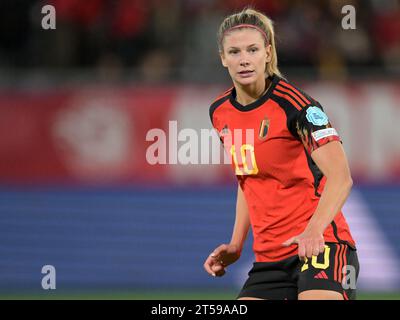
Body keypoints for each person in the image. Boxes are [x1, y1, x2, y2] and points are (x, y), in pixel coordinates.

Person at [203, 8, 359, 300]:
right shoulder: (220, 112)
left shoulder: (297, 106)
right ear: (223, 58)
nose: (244, 59)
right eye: (234, 52)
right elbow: (247, 178)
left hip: (320, 246)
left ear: (268, 53)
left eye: (252, 49)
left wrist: (314, 231)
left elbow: (341, 178)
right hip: (269, 259)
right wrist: (236, 245)